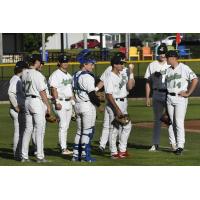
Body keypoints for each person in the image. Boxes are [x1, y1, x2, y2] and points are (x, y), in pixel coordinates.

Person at [96, 52, 135, 152]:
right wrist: (95, 90)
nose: (123, 64)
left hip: (123, 101)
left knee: (125, 125)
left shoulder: (124, 72)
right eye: (121, 62)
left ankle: (121, 150)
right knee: (113, 128)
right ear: (115, 64)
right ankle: (110, 150)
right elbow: (107, 91)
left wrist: (131, 73)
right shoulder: (110, 73)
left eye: (123, 62)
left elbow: (130, 86)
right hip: (114, 102)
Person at [72, 49, 103, 162]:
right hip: (86, 106)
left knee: (80, 131)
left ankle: (76, 155)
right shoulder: (88, 77)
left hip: (78, 105)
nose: (93, 66)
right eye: (91, 64)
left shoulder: (75, 75)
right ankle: (85, 156)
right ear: (84, 64)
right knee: (87, 131)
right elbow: (91, 94)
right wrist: (99, 104)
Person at [165, 50, 198, 155]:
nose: (166, 59)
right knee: (171, 122)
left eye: (167, 57)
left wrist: (188, 92)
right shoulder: (168, 70)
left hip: (180, 98)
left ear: (173, 58)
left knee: (178, 122)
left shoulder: (184, 68)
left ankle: (180, 146)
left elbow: (195, 79)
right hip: (169, 97)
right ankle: (173, 144)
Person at [21, 55, 51, 163]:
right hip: (36, 101)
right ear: (36, 62)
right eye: (40, 62)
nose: (41, 64)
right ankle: (40, 156)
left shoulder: (24, 73)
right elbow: (42, 92)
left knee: (28, 129)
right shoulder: (37, 74)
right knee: (40, 129)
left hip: (27, 101)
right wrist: (48, 105)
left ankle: (24, 156)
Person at [144, 44, 173, 151]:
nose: (162, 55)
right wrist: (147, 97)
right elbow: (147, 82)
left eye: (164, 52)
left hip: (167, 93)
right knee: (157, 120)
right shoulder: (152, 65)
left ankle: (173, 143)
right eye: (160, 53)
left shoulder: (169, 64)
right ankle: (155, 144)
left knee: (170, 119)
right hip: (156, 93)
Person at [48, 55, 73, 155]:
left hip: (68, 102)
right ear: (59, 63)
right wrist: (57, 102)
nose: (65, 63)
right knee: (63, 125)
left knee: (66, 126)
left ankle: (64, 147)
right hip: (60, 102)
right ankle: (63, 148)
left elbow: (71, 90)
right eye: (63, 61)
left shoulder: (69, 75)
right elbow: (53, 89)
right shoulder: (55, 74)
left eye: (66, 61)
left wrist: (73, 102)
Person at [8, 61, 28, 160]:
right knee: (19, 131)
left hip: (18, 109)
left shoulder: (17, 78)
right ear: (22, 69)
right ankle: (17, 153)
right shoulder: (16, 79)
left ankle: (19, 152)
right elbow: (11, 93)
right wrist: (16, 106)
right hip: (16, 110)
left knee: (21, 131)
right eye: (26, 69)